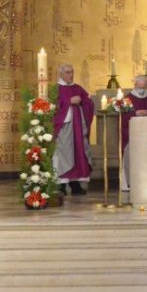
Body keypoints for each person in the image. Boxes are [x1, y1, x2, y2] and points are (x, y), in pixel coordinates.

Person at [53, 63, 94, 196]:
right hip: (64, 127)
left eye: (72, 72)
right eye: (67, 72)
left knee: (78, 153)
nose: (71, 75)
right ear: (60, 74)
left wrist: (84, 101)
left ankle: (75, 183)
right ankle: (61, 184)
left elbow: (88, 102)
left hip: (78, 128)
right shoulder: (55, 89)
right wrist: (68, 101)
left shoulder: (78, 88)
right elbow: (52, 105)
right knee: (63, 152)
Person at [120, 74, 147, 191]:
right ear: (134, 85)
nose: (142, 90)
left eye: (144, 88)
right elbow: (123, 117)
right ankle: (130, 183)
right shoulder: (127, 99)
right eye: (139, 88)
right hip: (131, 136)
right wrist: (135, 114)